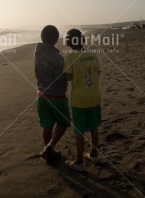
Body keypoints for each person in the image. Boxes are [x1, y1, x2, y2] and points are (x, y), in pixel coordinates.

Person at [64, 29, 101, 172]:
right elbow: (97, 72)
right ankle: (94, 154)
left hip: (79, 100)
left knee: (79, 131)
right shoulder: (92, 54)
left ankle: (79, 162)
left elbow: (68, 77)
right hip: (94, 97)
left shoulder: (71, 56)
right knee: (93, 127)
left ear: (68, 42)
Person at [34, 25, 70, 164]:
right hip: (55, 95)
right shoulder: (57, 58)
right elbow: (59, 77)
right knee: (63, 123)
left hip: (41, 94)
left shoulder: (37, 52)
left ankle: (49, 150)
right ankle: (50, 147)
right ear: (56, 40)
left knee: (47, 124)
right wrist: (65, 85)